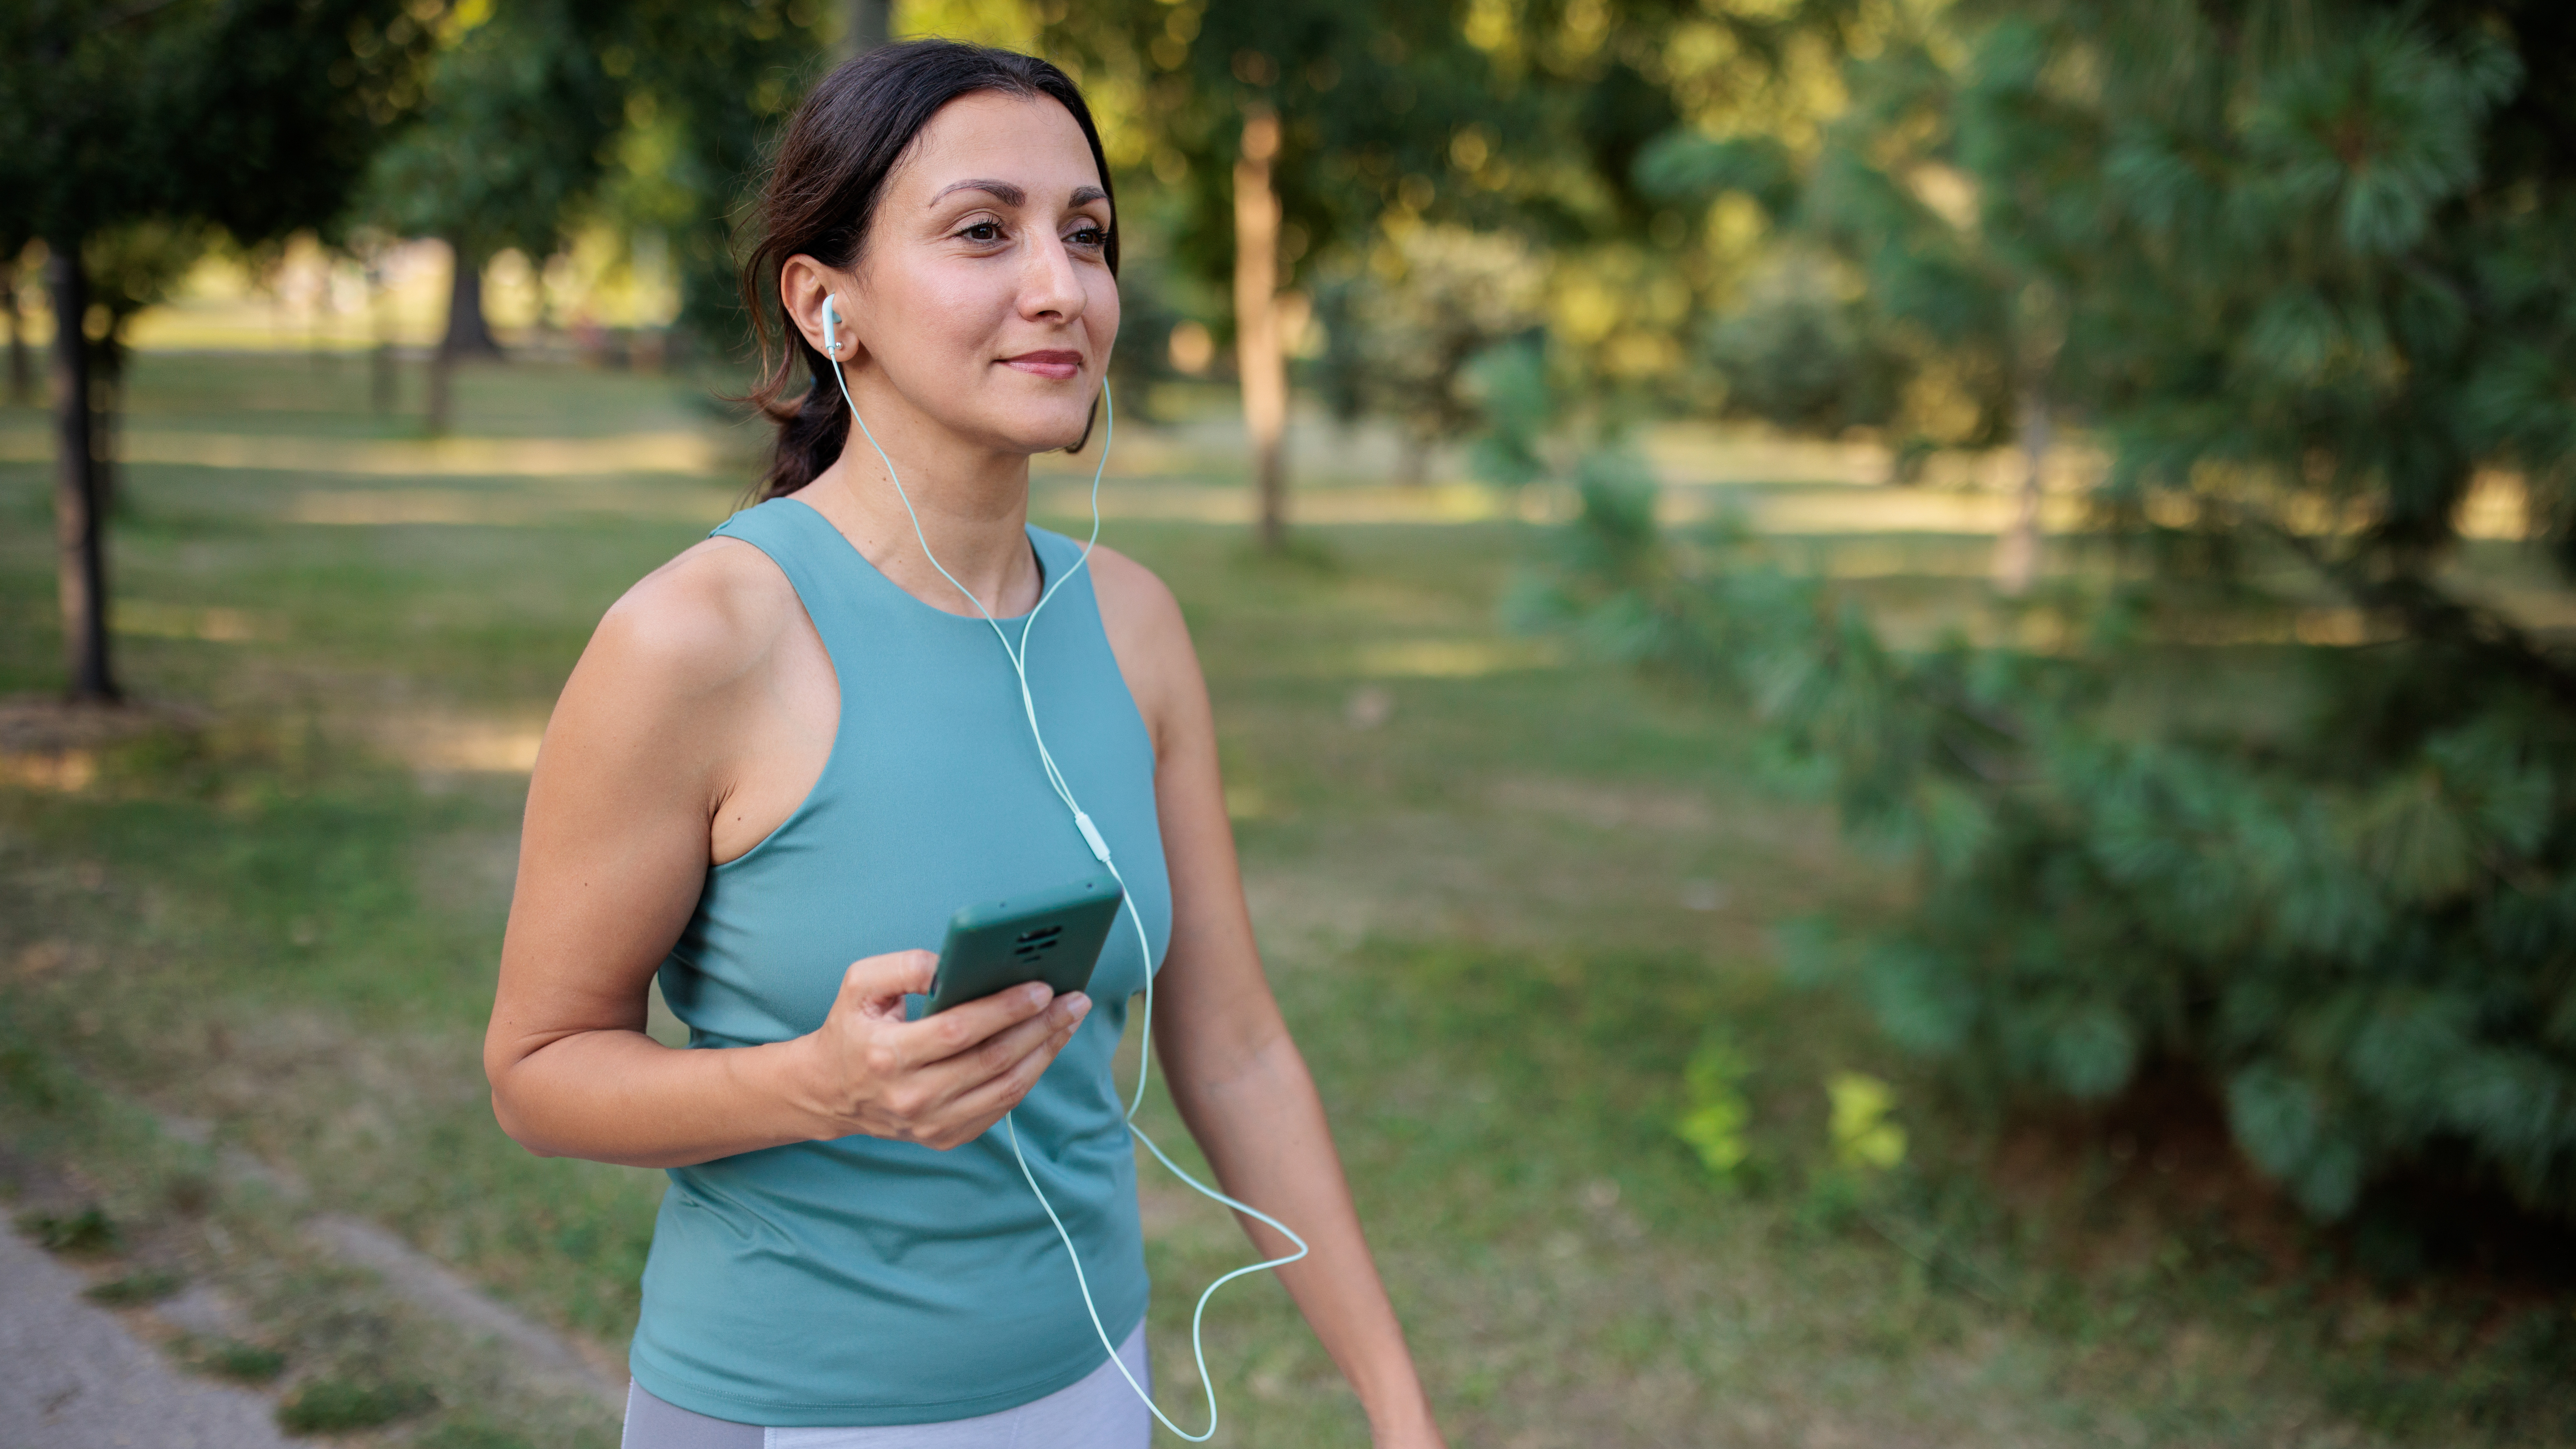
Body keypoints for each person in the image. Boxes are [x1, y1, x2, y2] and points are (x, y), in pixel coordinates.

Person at [481, 40, 1446, 1449]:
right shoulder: (697, 639)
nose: (1059, 286)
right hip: (795, 1415)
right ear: (827, 304)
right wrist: (818, 1085)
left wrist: (1399, 1408)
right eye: (982, 231)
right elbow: (537, 1072)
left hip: (1098, 1383)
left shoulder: (1134, 625)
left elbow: (1232, 1049)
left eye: (1086, 235)